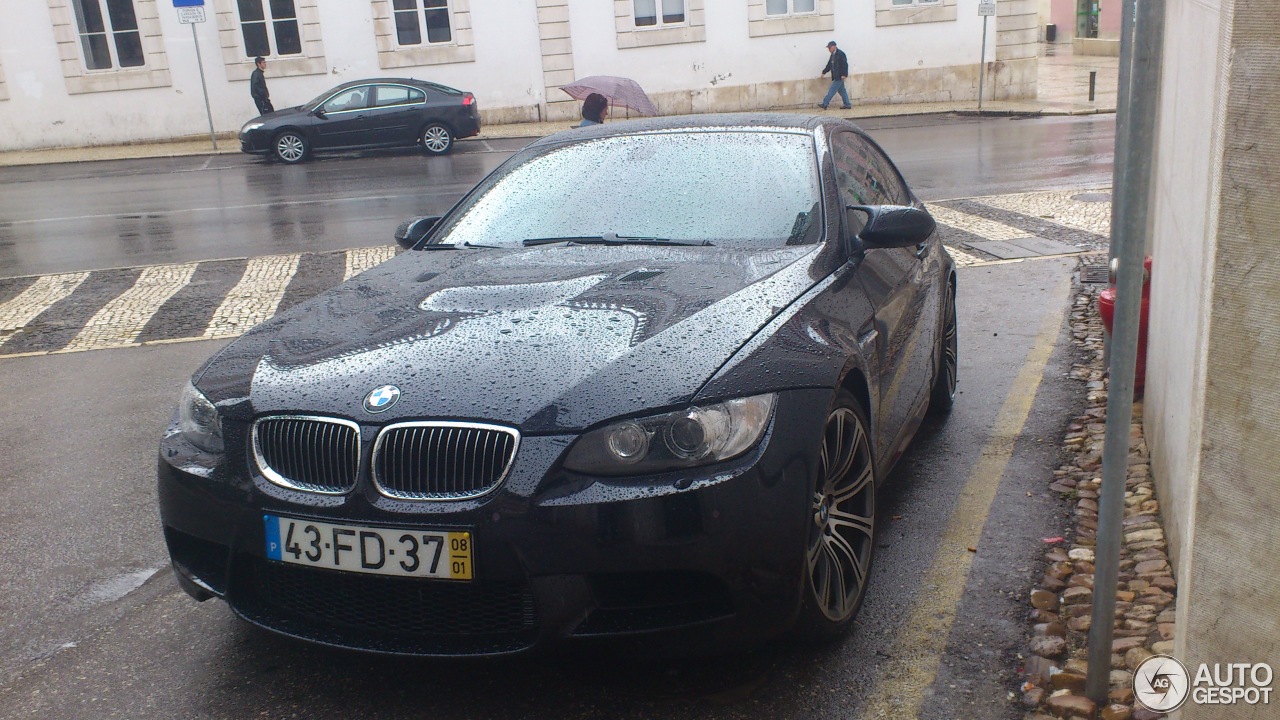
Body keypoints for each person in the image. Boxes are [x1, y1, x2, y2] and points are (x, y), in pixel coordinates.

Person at [819, 41, 852, 111]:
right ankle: (847, 104)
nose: (829, 49)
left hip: (839, 76)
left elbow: (845, 65)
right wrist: (823, 72)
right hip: (836, 76)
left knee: (832, 90)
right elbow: (829, 65)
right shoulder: (832, 55)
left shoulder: (840, 54)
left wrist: (844, 74)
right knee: (842, 91)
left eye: (829, 48)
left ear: (834, 46)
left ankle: (825, 104)